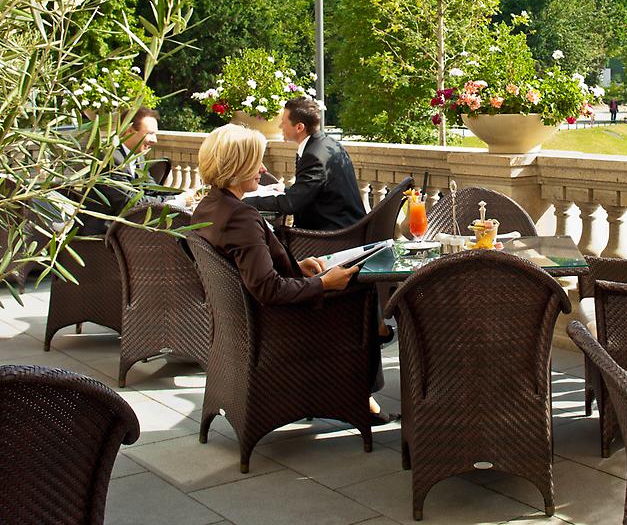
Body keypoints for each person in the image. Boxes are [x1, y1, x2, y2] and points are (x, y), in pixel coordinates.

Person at [191, 123, 397, 424]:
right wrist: (323, 283)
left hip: (241, 325)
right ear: (236, 166)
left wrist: (297, 268)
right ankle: (360, 399)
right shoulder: (241, 216)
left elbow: (247, 271)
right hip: (278, 328)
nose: (262, 169)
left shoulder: (208, 208)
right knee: (361, 299)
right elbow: (268, 290)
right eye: (255, 162)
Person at [243, 97, 365, 230]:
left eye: (283, 122)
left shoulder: (314, 156)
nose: (280, 126)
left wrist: (247, 201)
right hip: (342, 227)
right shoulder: (327, 144)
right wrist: (286, 190)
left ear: (299, 127)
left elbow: (291, 204)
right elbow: (317, 192)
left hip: (332, 235)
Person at [79, 107, 185, 235]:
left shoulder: (137, 156)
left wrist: (180, 196)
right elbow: (131, 202)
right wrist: (171, 203)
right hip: (101, 237)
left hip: (125, 230)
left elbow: (151, 188)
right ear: (130, 131)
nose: (155, 140)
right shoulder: (111, 160)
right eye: (150, 133)